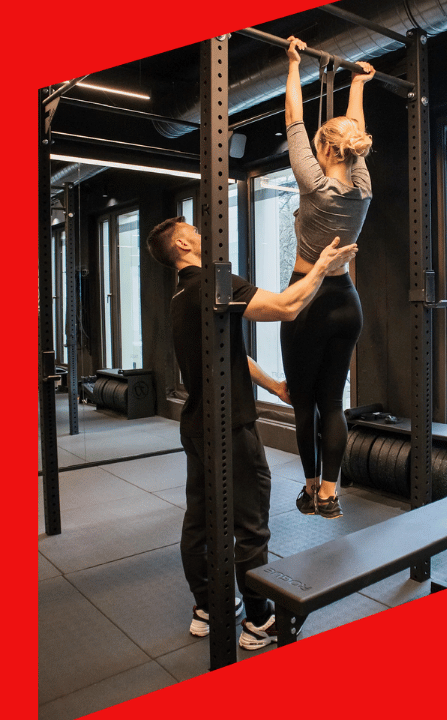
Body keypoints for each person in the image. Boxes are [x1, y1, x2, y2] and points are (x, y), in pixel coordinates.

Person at [146, 216, 357, 650]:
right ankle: (259, 620)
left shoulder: (183, 294)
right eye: (196, 231)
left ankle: (206, 607)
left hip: (198, 426)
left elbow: (230, 354)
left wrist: (275, 386)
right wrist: (322, 264)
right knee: (252, 527)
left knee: (200, 520)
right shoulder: (212, 283)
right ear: (183, 244)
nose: (205, 234)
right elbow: (287, 307)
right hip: (232, 429)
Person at [280, 37, 376, 520]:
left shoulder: (313, 184)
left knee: (304, 403)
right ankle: (331, 496)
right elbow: (351, 130)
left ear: (323, 149)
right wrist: (357, 83)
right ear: (352, 152)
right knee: (333, 401)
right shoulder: (362, 187)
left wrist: (294, 66)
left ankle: (310, 486)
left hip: (307, 301)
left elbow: (294, 119)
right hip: (347, 303)